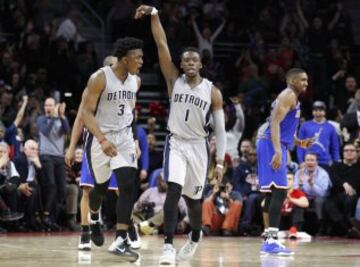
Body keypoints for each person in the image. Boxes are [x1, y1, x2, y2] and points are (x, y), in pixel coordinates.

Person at [135, 5, 227, 264]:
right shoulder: (173, 80)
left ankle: (195, 235)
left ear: (200, 64)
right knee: (173, 189)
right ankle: (167, 246)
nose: (188, 63)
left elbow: (219, 131)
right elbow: (161, 43)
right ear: (181, 63)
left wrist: (219, 162)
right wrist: (154, 14)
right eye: (185, 60)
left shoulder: (212, 92)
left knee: (194, 200)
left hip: (199, 146)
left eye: (193, 60)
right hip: (175, 142)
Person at [65, 56, 140, 251]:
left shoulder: (128, 86)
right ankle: (86, 230)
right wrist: (72, 146)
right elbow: (80, 120)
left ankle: (128, 229)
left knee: (123, 187)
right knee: (88, 188)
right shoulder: (94, 87)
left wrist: (134, 141)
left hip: (119, 141)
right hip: (95, 143)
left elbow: (131, 118)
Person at [80, 37, 143, 262]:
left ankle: (120, 238)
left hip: (124, 137)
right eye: (138, 58)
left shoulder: (136, 81)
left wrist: (134, 139)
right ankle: (94, 216)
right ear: (125, 60)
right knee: (100, 188)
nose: (142, 61)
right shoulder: (99, 78)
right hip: (100, 137)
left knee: (127, 184)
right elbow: (86, 113)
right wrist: (102, 140)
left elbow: (129, 113)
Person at [257, 68, 314, 255]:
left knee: (272, 193)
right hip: (271, 144)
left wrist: (299, 142)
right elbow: (274, 123)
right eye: (303, 80)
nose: (306, 83)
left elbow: (285, 126)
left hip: (274, 143)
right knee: (280, 192)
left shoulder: (292, 98)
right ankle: (272, 240)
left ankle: (268, 238)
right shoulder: (288, 95)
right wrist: (277, 151)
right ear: (292, 81)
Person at [37, 97, 70, 231]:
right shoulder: (42, 119)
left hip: (59, 157)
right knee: (51, 186)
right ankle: (45, 215)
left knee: (62, 189)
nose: (48, 108)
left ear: (55, 106)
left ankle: (52, 218)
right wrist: (53, 117)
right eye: (46, 105)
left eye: (51, 105)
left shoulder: (61, 119)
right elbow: (45, 131)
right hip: (46, 156)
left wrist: (61, 116)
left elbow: (67, 131)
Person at [296, 101, 340, 172]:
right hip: (308, 161)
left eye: (320, 110)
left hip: (326, 162)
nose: (318, 113)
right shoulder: (305, 126)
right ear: (312, 112)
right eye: (315, 110)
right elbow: (300, 145)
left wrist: (336, 162)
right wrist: (301, 161)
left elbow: (335, 147)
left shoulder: (331, 127)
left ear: (325, 112)